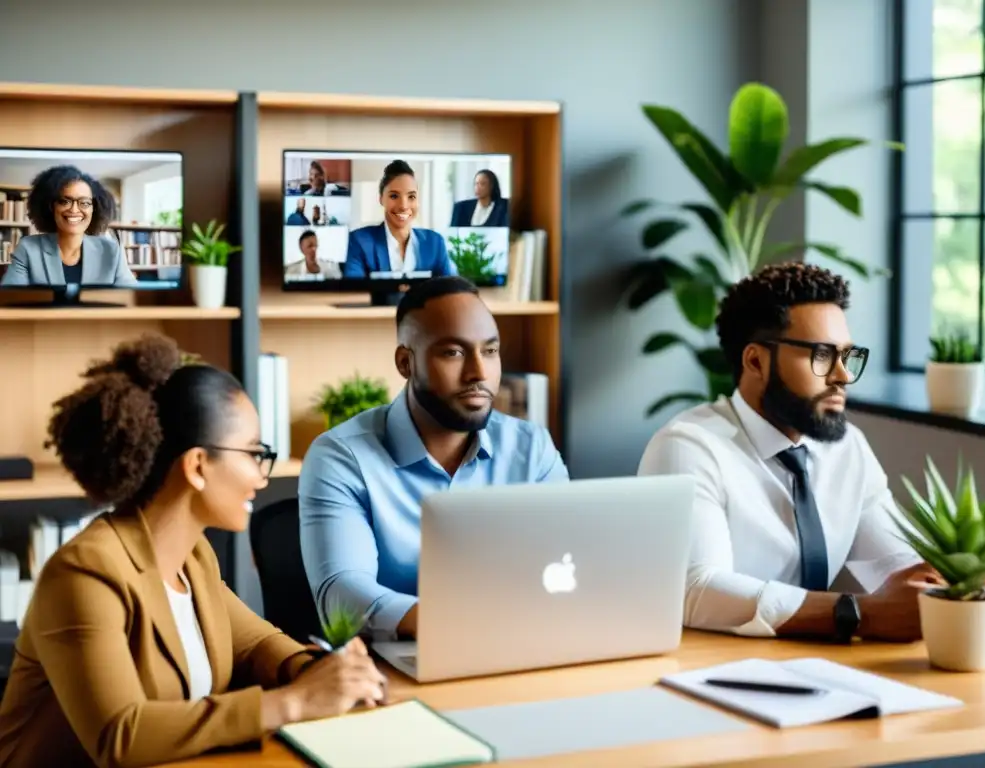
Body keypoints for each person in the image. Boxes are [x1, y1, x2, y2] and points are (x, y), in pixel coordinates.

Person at [0, 335, 386, 768]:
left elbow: (253, 643)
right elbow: (119, 736)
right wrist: (294, 703)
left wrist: (316, 670)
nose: (261, 476)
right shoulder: (84, 573)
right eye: (255, 453)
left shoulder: (193, 556)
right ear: (198, 466)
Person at [638, 262, 941, 643]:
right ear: (755, 361)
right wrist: (860, 614)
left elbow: (899, 564)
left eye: (847, 356)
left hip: (818, 670)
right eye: (821, 355)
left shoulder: (847, 449)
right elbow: (697, 589)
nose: (842, 376)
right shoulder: (689, 448)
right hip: (717, 670)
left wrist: (968, 591)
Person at [299, 276, 568, 640]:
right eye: (453, 352)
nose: (479, 373)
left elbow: (569, 562)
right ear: (405, 363)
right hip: (400, 666)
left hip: (524, 644)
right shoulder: (341, 457)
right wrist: (451, 624)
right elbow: (341, 595)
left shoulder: (531, 448)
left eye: (490, 351)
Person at [0, 165, 137, 288]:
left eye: (84, 203)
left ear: (95, 208)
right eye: (64, 201)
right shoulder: (28, 249)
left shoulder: (111, 251)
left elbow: (133, 300)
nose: (74, 210)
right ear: (50, 207)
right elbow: (10, 300)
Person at [342, 160, 454, 279]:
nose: (403, 206)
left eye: (411, 196)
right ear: (381, 199)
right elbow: (354, 292)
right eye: (394, 196)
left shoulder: (435, 243)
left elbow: (452, 291)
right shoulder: (360, 241)